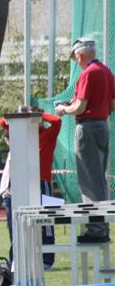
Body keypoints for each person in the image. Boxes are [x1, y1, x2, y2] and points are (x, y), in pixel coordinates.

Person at [55, 37, 114, 243]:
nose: (76, 61)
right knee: (99, 178)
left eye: (75, 58)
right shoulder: (106, 71)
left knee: (88, 180)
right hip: (103, 126)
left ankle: (95, 229)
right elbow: (112, 105)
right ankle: (102, 226)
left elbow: (79, 107)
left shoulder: (88, 73)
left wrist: (63, 109)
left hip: (87, 127)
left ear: (79, 54)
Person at [0, 109, 62, 267]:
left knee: (46, 222)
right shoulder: (23, 136)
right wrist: (21, 114)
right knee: (21, 222)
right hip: (24, 183)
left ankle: (47, 260)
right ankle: (19, 259)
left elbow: (57, 121)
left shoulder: (47, 134)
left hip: (43, 182)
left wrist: (38, 115)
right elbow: (2, 122)